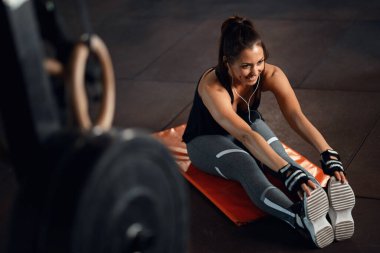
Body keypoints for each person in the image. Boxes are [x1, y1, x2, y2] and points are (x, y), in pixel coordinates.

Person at [182, 15, 355, 248]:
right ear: (227, 63)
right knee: (247, 164)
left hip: (246, 128)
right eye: (245, 66)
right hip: (206, 140)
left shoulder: (270, 74)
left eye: (259, 62)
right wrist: (284, 172)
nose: (255, 73)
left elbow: (296, 116)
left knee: (283, 159)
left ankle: (325, 204)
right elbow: (245, 135)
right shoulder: (212, 86)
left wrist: (327, 153)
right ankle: (298, 218)